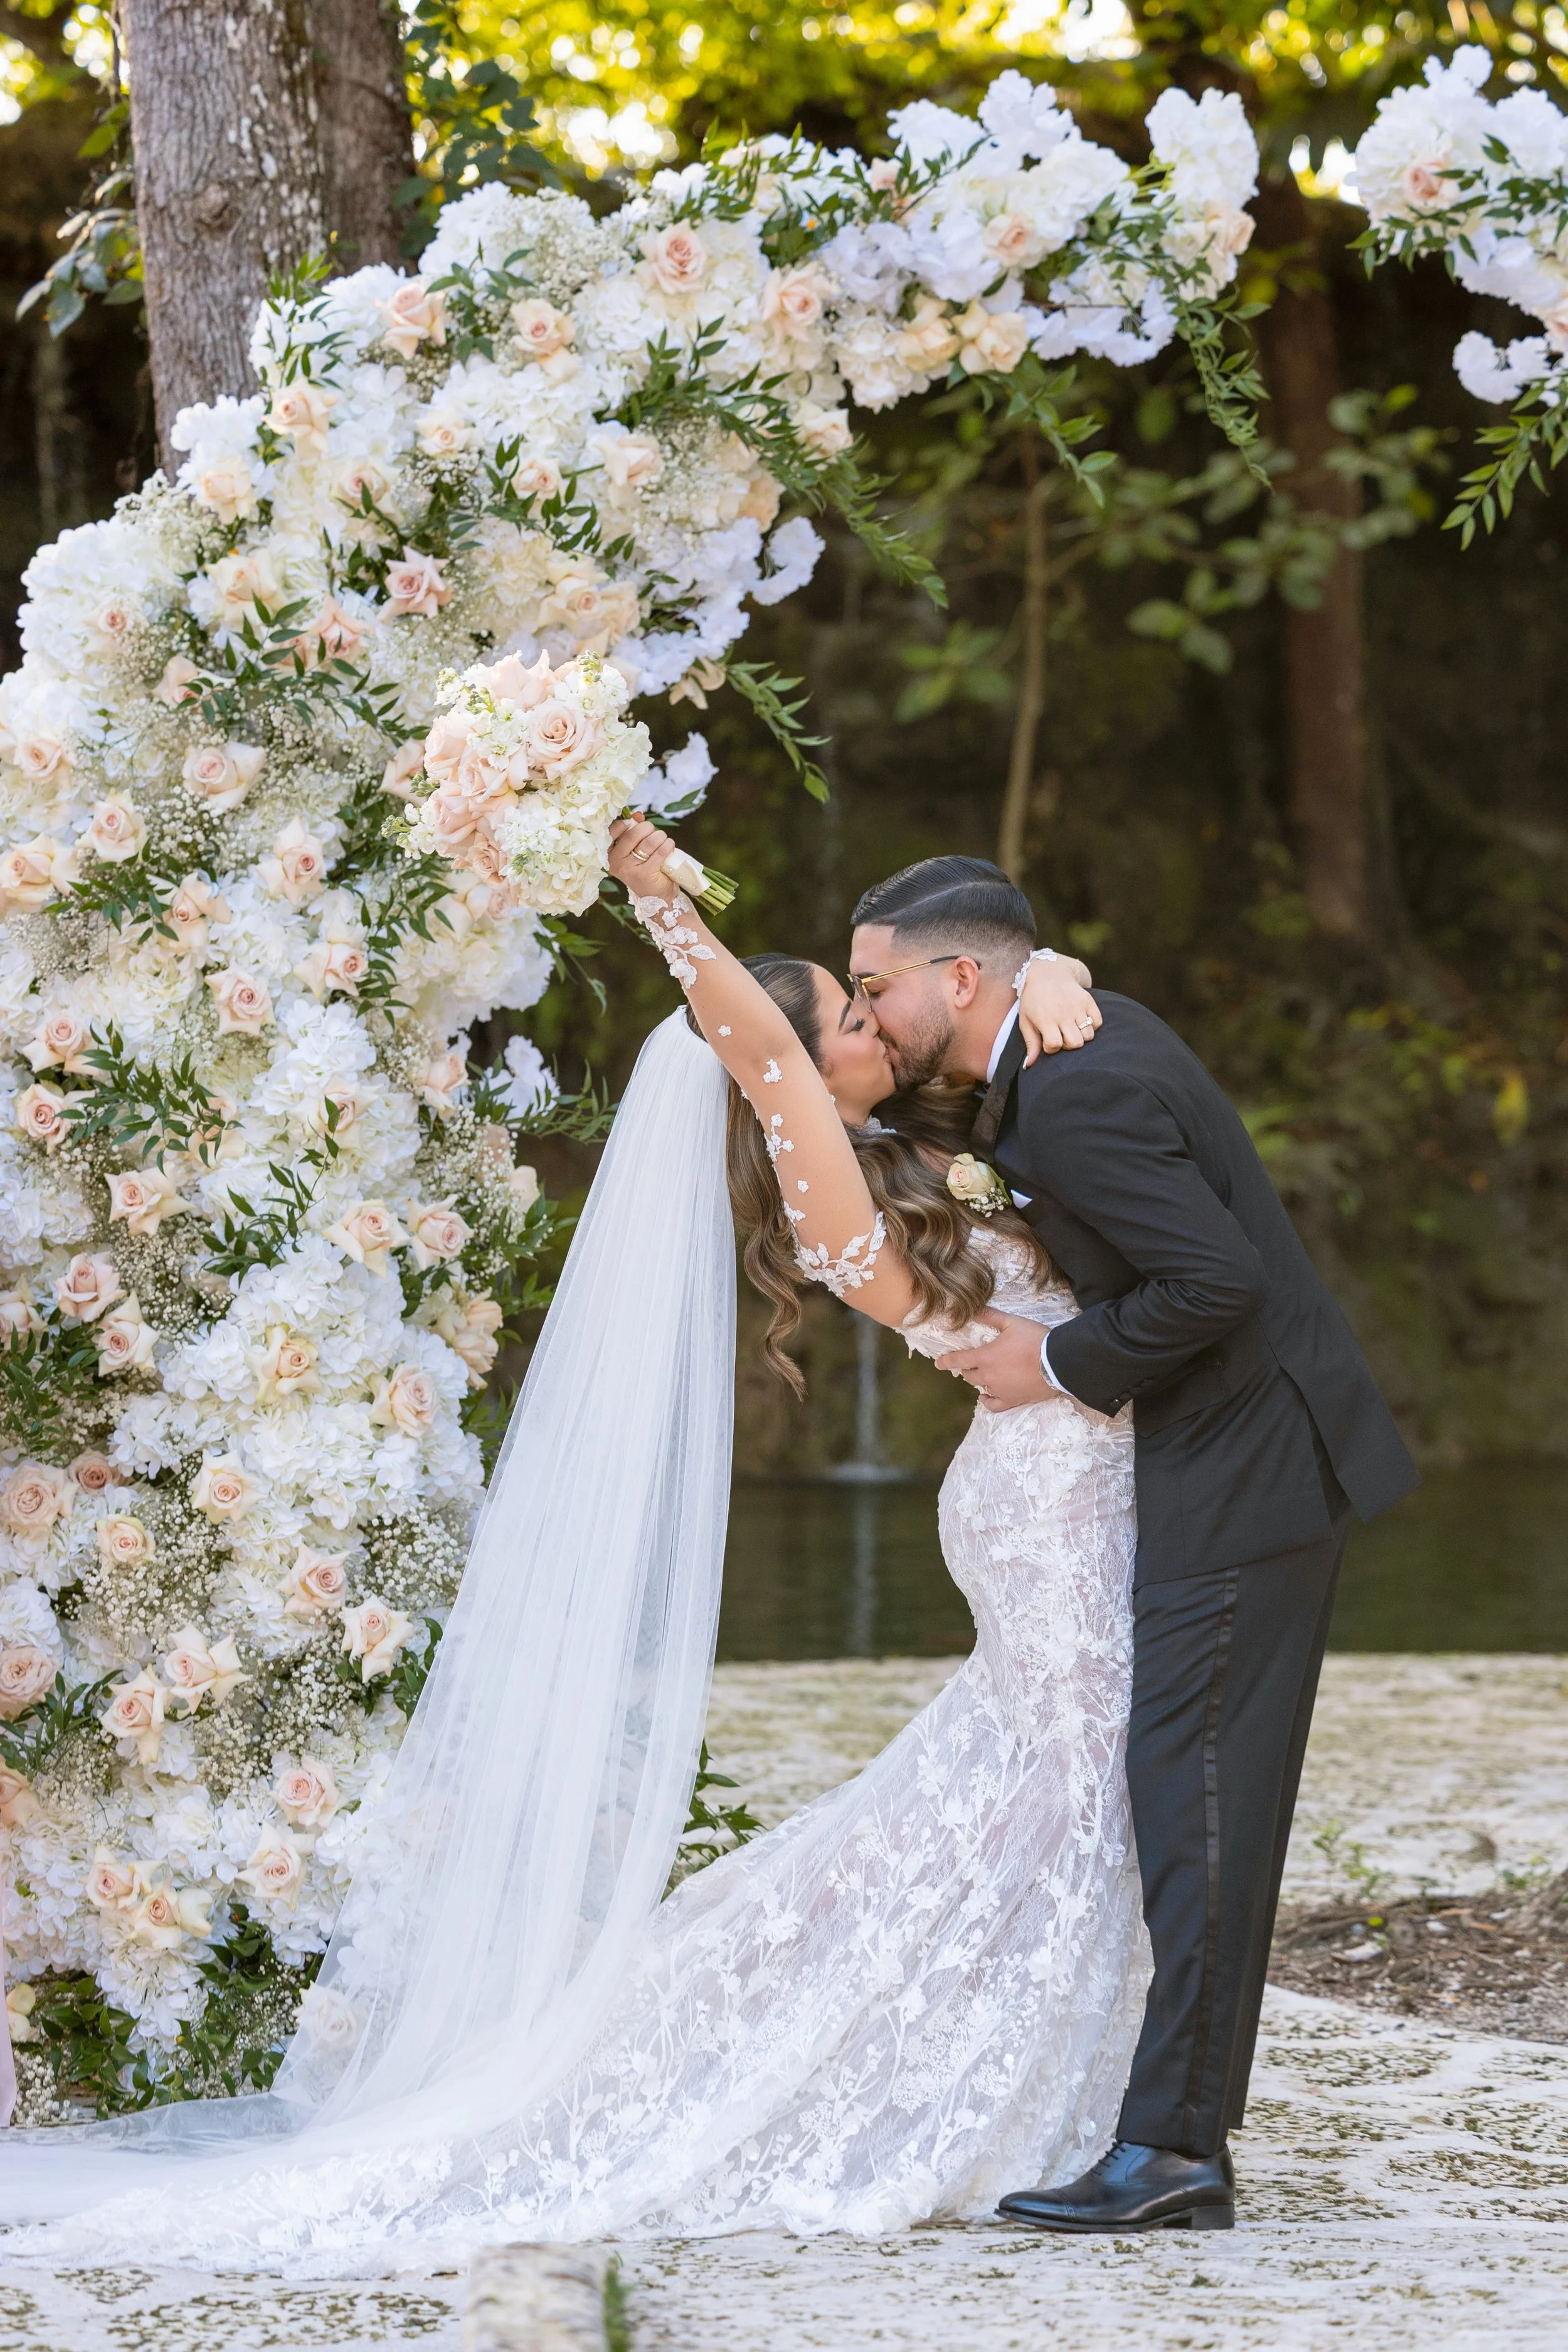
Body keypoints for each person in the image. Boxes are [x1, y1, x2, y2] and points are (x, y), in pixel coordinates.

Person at [0, 834, 1140, 2267]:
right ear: (763, 1064)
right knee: (1058, 1786)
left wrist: (1057, 975)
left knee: (1026, 1793)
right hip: (1041, 1504)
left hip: (1063, 1482)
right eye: (842, 1016)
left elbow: (985, 1011)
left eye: (868, 1007)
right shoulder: (819, 1172)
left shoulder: (913, 1143)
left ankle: (981, 2064)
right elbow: (764, 1044)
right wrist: (659, 895)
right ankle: (923, 2078)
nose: (869, 1029)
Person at [841, 852, 1419, 2233]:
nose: (868, 1008)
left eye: (876, 985)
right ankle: (1176, 2136)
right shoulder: (1055, 1039)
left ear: (960, 977)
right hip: (1228, 1459)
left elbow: (1211, 1282)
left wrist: (1061, 1363)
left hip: (1245, 1471)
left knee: (1193, 1808)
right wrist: (1056, 963)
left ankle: (1171, 2153)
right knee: (1190, 1801)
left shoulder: (1074, 1079)